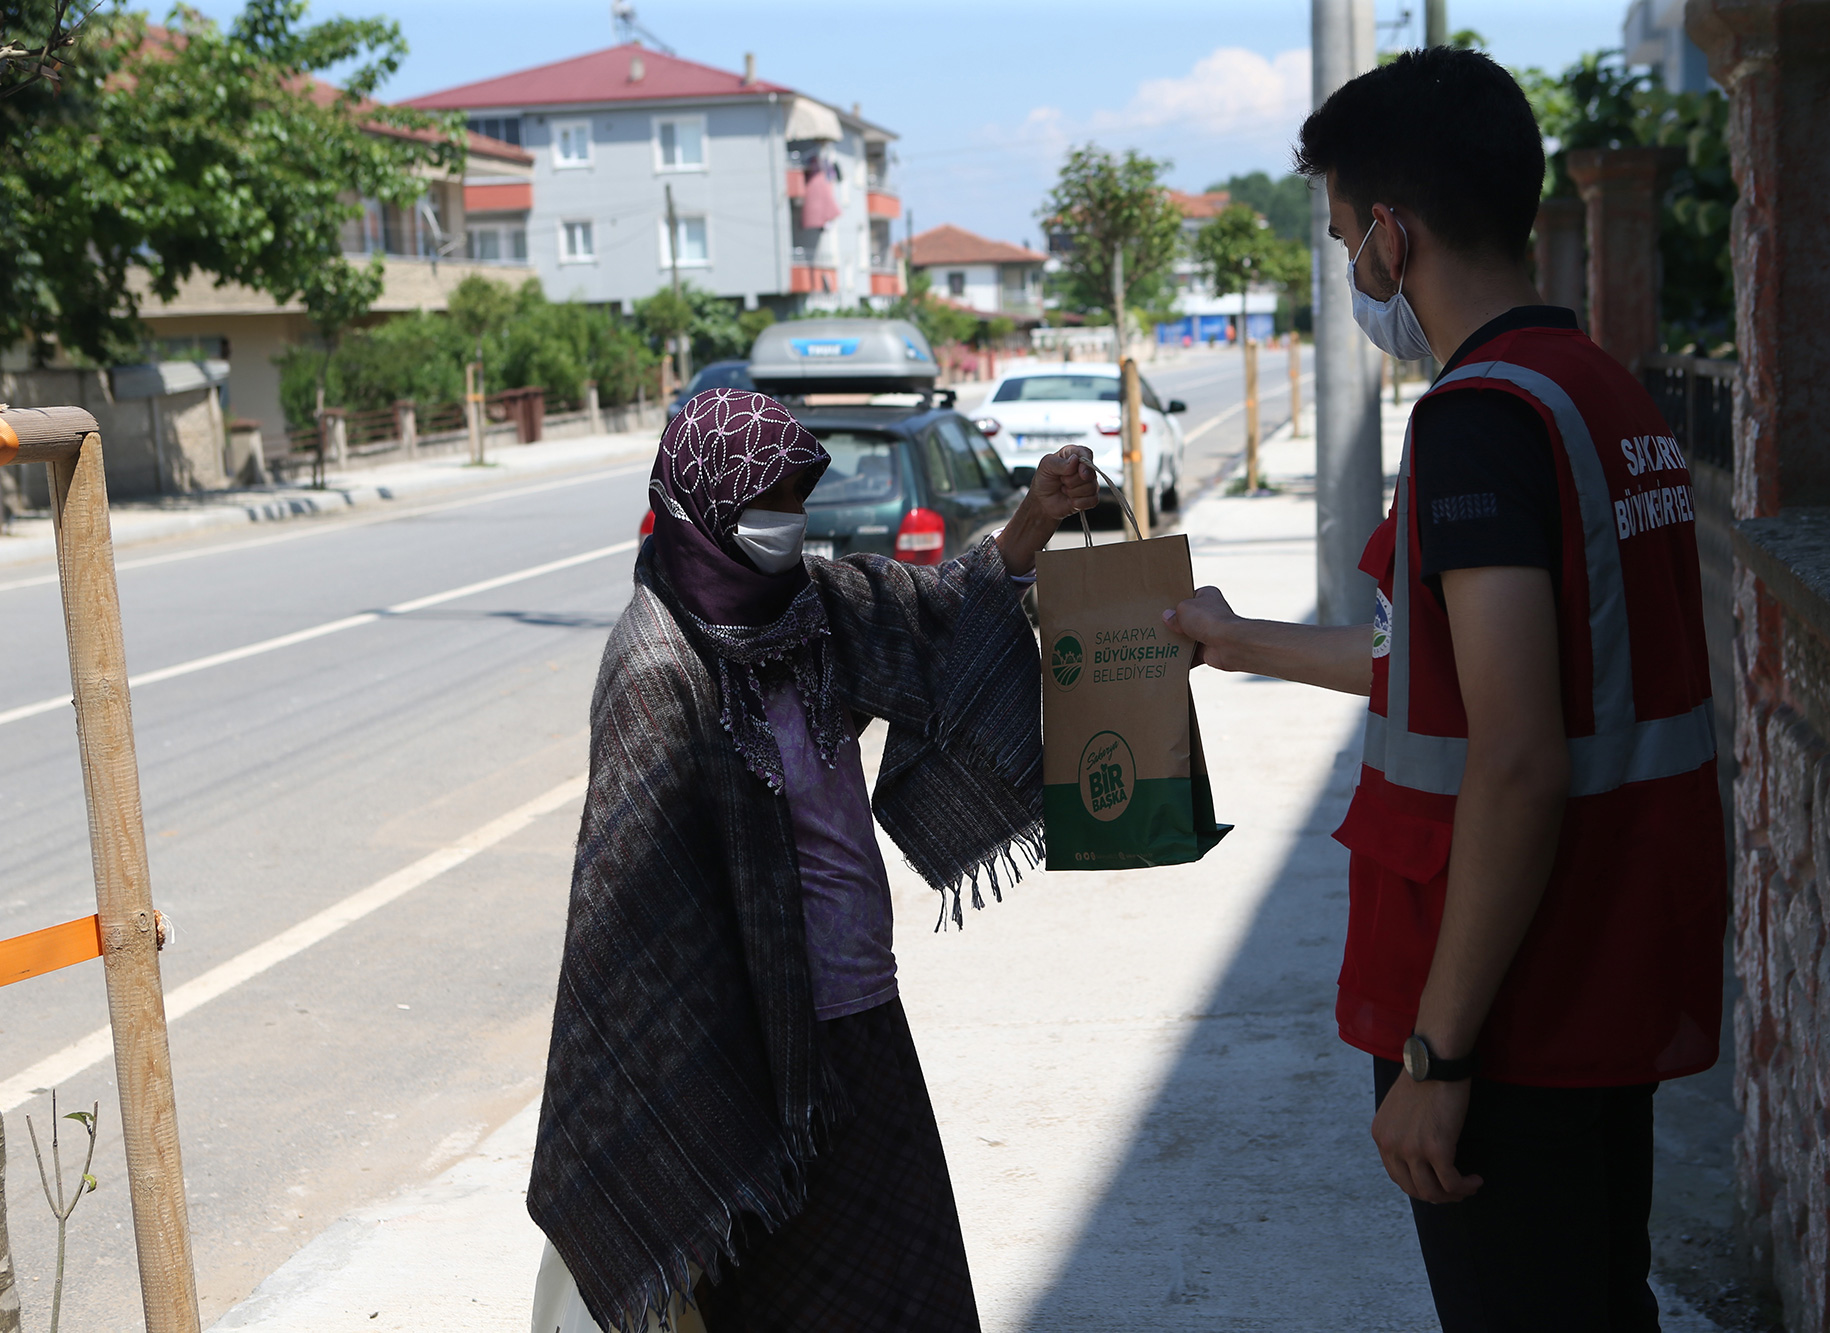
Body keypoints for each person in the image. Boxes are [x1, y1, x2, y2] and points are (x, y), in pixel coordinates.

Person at [1165, 47, 1725, 1332]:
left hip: (1507, 1013)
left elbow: (1516, 754)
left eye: (1342, 239)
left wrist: (1436, 1055)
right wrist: (1239, 638)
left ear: (1390, 237)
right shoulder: (1602, 393)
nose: (1352, 270)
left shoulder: (1475, 421)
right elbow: (1461, 674)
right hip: (1608, 970)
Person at [527, 388, 1097, 1333]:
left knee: (914, 1292)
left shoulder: (810, 604)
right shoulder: (656, 663)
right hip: (758, 1061)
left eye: (799, 502)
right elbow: (626, 917)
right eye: (770, 505)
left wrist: (1036, 515)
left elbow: (933, 610)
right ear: (701, 504)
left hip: (863, 1016)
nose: (790, 527)